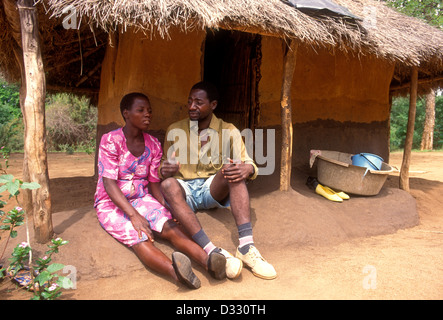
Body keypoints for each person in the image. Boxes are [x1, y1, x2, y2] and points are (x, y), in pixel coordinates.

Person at [94, 92, 227, 289]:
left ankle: (208, 261)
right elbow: (109, 184)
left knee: (169, 226)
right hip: (111, 202)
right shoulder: (111, 140)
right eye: (141, 110)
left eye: (149, 111)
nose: (147, 114)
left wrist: (166, 207)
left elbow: (154, 182)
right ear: (126, 113)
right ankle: (176, 272)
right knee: (138, 235)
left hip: (141, 197)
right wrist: (133, 215)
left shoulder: (153, 144)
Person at [159, 81, 277, 280]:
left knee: (233, 170)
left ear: (213, 105)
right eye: (189, 101)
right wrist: (165, 169)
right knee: (167, 185)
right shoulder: (174, 130)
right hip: (184, 190)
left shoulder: (229, 130)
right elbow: (164, 167)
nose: (191, 107)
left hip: (210, 189)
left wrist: (246, 168)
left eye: (198, 102)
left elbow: (249, 163)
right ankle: (211, 249)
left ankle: (246, 247)